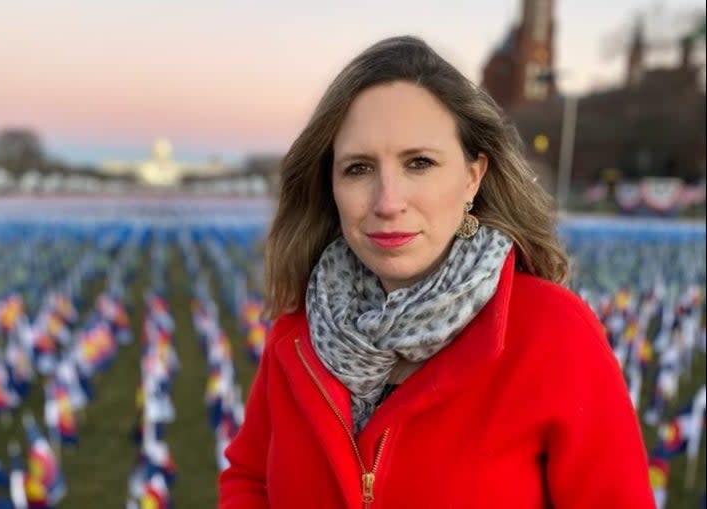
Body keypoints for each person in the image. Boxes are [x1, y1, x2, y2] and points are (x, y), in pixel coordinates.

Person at [218, 36, 654, 509]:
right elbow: (249, 479)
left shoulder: (555, 333)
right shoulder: (298, 335)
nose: (388, 202)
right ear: (331, 185)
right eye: (359, 168)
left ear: (472, 176)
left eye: (418, 163)